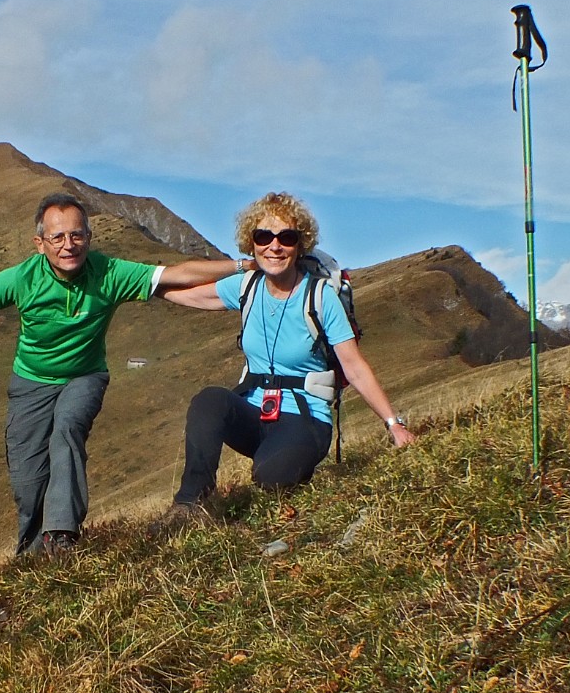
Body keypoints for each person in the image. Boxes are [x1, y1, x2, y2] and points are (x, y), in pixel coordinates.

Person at [0, 192, 239, 556]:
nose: (68, 245)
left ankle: (61, 535)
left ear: (89, 237)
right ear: (39, 244)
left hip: (84, 377)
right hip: (30, 384)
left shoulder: (109, 272)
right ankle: (32, 553)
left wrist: (242, 266)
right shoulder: (21, 278)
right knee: (28, 480)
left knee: (67, 428)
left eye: (77, 235)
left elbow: (176, 275)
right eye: (57, 238)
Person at [161, 192, 416, 513]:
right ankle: (189, 504)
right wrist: (140, 284)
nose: (275, 246)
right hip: (254, 413)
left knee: (271, 478)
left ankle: (292, 461)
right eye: (264, 236)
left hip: (305, 419)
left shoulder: (320, 297)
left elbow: (355, 368)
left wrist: (394, 425)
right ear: (251, 243)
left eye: (287, 237)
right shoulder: (246, 286)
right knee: (208, 401)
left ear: (300, 244)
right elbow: (190, 294)